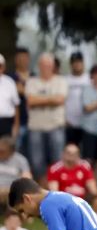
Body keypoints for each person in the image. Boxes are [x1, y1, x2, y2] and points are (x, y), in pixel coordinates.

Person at [25, 53, 68, 181]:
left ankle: (57, 191)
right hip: (35, 127)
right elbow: (31, 101)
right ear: (39, 66)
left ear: (53, 66)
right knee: (37, 163)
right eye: (43, 65)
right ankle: (42, 192)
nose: (46, 68)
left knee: (57, 161)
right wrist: (51, 99)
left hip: (56, 126)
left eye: (49, 65)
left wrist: (40, 99)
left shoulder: (61, 81)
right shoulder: (32, 81)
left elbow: (60, 100)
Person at [80, 66, 97, 173]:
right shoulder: (87, 89)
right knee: (88, 159)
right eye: (95, 74)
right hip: (89, 129)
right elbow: (87, 108)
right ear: (92, 76)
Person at [64, 52, 89, 148]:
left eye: (79, 62)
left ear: (83, 63)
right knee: (70, 150)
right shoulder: (65, 80)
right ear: (71, 64)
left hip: (86, 123)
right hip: (69, 123)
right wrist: (64, 119)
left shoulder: (89, 79)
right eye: (74, 62)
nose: (77, 64)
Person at [0, 135, 32, 199]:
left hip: (12, 192)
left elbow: (27, 179)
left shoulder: (21, 160)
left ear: (11, 151)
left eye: (2, 151)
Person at [0, 53, 21, 138]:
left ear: (3, 67)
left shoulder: (9, 82)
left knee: (6, 149)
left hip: (6, 123)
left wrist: (16, 126)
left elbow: (16, 105)